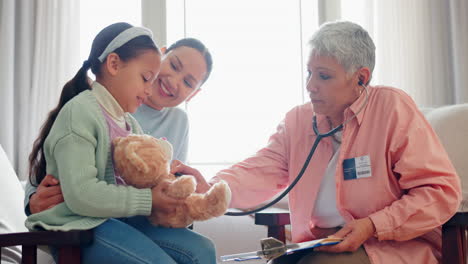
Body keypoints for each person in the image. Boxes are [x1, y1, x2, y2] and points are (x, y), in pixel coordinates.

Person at [172, 21, 462, 264]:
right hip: (319, 244)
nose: (310, 85)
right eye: (309, 72)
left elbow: (440, 192)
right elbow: (260, 169)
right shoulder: (299, 121)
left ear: (361, 78)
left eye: (323, 76)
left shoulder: (392, 108)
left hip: (389, 247)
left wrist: (372, 225)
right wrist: (212, 187)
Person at [25, 22, 216, 264]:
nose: (172, 81)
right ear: (162, 54)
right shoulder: (84, 110)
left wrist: (185, 196)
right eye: (173, 66)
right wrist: (32, 203)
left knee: (203, 250)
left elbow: (156, 184)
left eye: (188, 82)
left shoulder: (134, 122)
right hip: (85, 220)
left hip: (125, 216)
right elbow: (71, 186)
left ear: (195, 93)